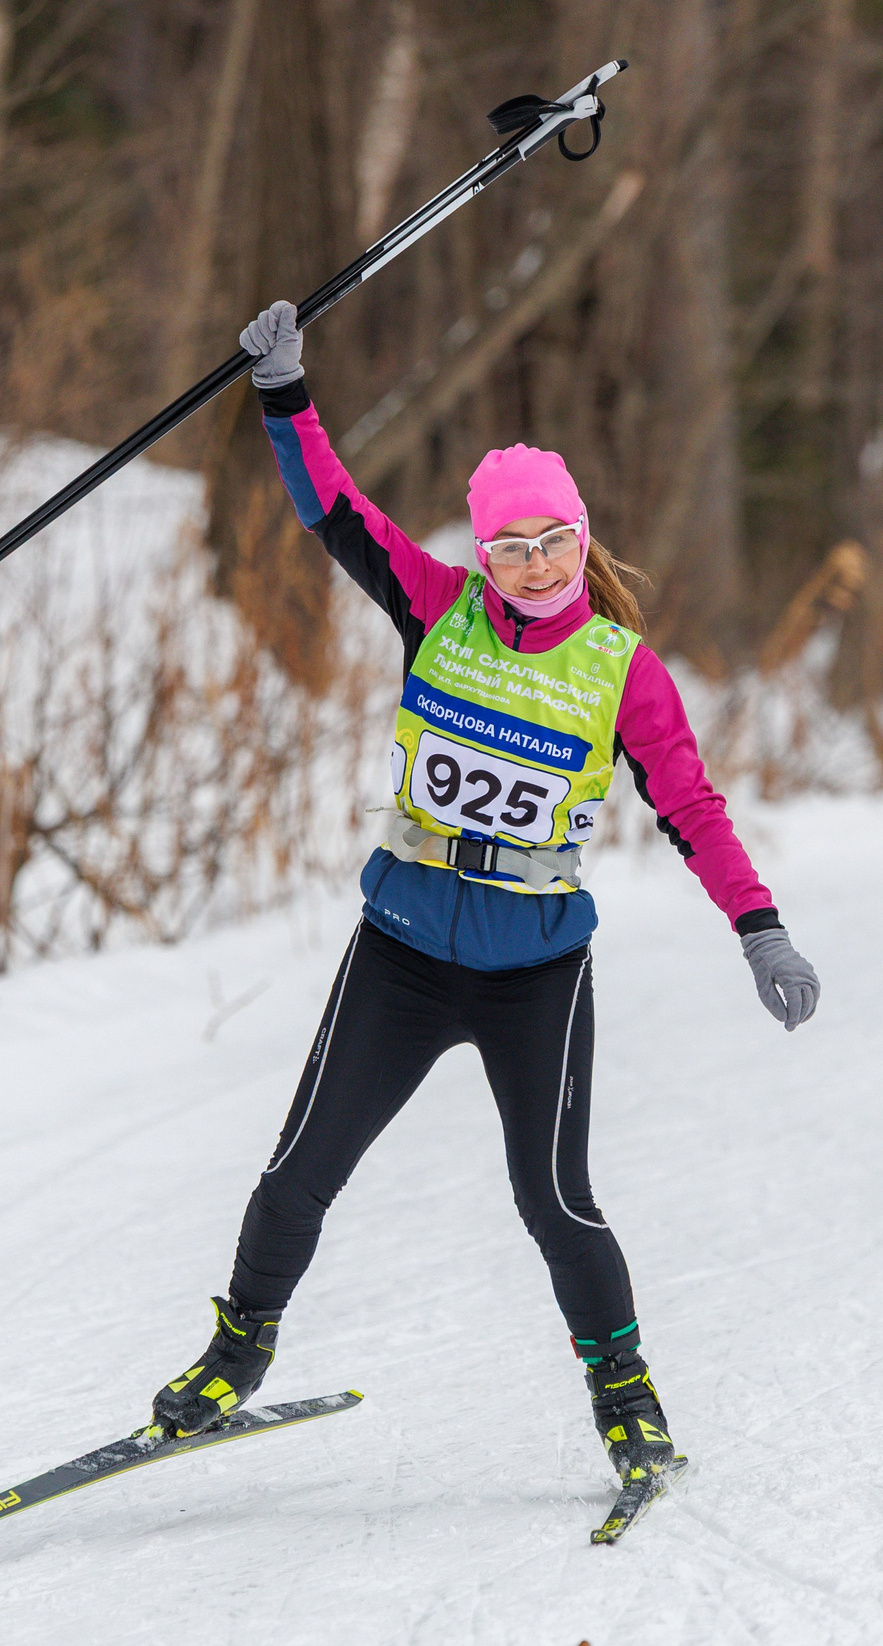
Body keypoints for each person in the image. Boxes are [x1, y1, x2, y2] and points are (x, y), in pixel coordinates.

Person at [148, 301, 821, 1486]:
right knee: (298, 1171)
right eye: (508, 547)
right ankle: (233, 1354)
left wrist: (758, 930)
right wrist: (283, 396)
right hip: (402, 949)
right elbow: (334, 513)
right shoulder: (436, 606)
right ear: (481, 550)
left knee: (555, 1203)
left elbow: (693, 810)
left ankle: (628, 1401)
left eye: (551, 541)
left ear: (581, 536)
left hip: (534, 970)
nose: (533, 566)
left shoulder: (624, 672)